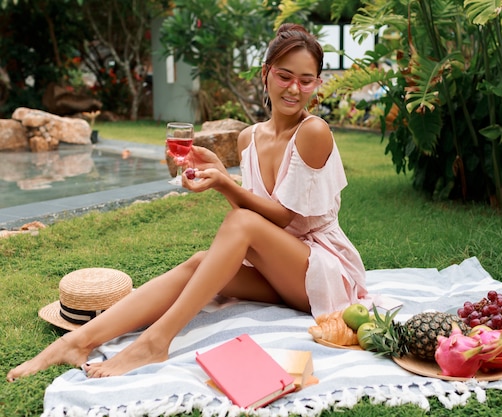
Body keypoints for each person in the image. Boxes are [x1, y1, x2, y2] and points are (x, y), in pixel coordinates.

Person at [6, 23, 368, 381]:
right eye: (285, 76)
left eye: (306, 80)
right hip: (284, 270)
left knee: (238, 229)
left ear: (317, 83)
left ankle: (156, 341)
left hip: (322, 273)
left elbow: (284, 218)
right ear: (266, 74)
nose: (295, 89)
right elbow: (253, 223)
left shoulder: (313, 131)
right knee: (200, 263)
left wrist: (225, 183)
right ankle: (79, 339)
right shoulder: (248, 138)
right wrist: (222, 178)